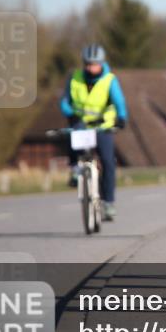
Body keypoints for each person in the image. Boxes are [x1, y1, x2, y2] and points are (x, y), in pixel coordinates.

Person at [59, 44, 128, 220]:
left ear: (101, 64)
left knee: (107, 161)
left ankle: (109, 203)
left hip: (102, 125)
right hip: (80, 123)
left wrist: (121, 118)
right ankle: (75, 169)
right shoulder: (74, 78)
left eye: (95, 64)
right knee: (72, 135)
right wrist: (71, 114)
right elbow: (64, 102)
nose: (91, 67)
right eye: (88, 64)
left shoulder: (109, 80)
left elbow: (119, 102)